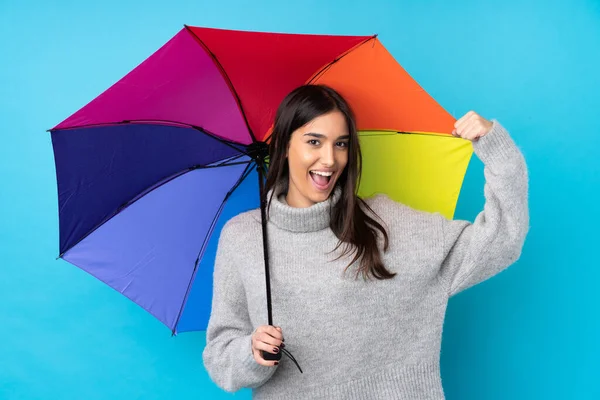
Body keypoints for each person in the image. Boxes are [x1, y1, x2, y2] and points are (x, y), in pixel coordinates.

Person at [202, 84, 529, 399]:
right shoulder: (243, 237)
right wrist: (251, 352)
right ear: (284, 147)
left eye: (341, 144)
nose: (329, 160)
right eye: (314, 142)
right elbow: (220, 358)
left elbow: (500, 241)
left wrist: (497, 152)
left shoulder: (386, 222)